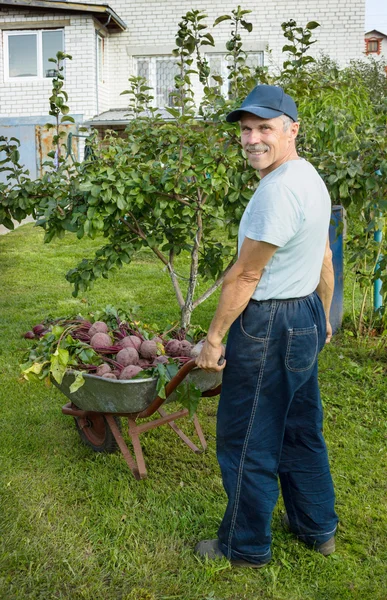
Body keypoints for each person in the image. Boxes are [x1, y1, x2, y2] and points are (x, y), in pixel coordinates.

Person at [194, 84, 338, 568]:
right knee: (299, 428)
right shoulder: (310, 177)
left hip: (269, 323)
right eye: (246, 129)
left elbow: (247, 274)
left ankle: (244, 545)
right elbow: (322, 253)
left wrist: (213, 340)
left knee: (248, 435)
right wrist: (323, 314)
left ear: (291, 129)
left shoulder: (277, 191)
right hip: (303, 316)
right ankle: (317, 526)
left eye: (265, 128)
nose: (253, 139)